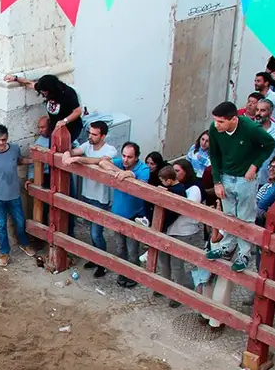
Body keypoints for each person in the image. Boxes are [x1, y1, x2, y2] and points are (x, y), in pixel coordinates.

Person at [204, 101, 275, 272]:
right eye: (215, 120)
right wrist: (217, 181)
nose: (217, 125)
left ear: (233, 119)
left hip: (246, 178)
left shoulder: (250, 128)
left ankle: (244, 253)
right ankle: (226, 246)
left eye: (221, 121)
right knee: (229, 213)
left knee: (245, 215)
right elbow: (214, 155)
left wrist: (255, 165)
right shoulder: (214, 129)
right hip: (226, 175)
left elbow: (269, 144)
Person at [60, 120, 118, 275]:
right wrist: (67, 154)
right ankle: (95, 258)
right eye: (89, 133)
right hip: (87, 195)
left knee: (96, 233)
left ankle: (102, 263)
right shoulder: (87, 146)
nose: (90, 136)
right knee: (91, 230)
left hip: (101, 198)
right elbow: (73, 151)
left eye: (94, 134)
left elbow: (101, 161)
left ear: (103, 135)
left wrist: (79, 159)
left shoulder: (110, 149)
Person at [92, 142, 151, 288]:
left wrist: (129, 173)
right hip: (117, 215)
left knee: (132, 249)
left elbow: (140, 182)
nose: (125, 160)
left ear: (137, 157)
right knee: (120, 247)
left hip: (133, 216)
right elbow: (103, 162)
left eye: (129, 157)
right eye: (124, 156)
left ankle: (133, 275)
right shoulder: (120, 163)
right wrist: (116, 169)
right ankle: (123, 272)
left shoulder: (143, 169)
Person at [0, 124, 34, 267]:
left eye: (3, 140)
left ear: (7, 138)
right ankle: (4, 253)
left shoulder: (15, 149)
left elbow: (19, 160)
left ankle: (24, 244)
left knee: (20, 221)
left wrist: (33, 161)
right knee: (1, 226)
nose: (1, 143)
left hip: (14, 195)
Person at [156, 159, 206, 306]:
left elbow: (183, 209)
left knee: (177, 265)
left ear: (186, 171)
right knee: (163, 261)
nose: (174, 174)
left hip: (183, 231)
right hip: (167, 229)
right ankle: (164, 286)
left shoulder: (194, 188)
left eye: (177, 171)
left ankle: (177, 294)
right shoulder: (173, 187)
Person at [3, 73, 83, 140]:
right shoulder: (43, 88)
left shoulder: (68, 93)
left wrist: (64, 121)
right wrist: (15, 78)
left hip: (70, 128)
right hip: (55, 128)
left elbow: (78, 111)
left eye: (44, 91)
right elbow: (30, 84)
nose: (43, 93)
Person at [25, 115, 51, 235]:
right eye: (39, 127)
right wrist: (31, 178)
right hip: (45, 176)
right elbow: (32, 164)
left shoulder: (61, 137)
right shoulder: (39, 142)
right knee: (43, 208)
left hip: (61, 175)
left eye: (43, 127)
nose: (40, 130)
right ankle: (42, 236)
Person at [254, 98, 275, 170]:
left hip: (268, 176)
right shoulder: (248, 128)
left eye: (262, 110)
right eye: (257, 110)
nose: (258, 113)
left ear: (270, 113)